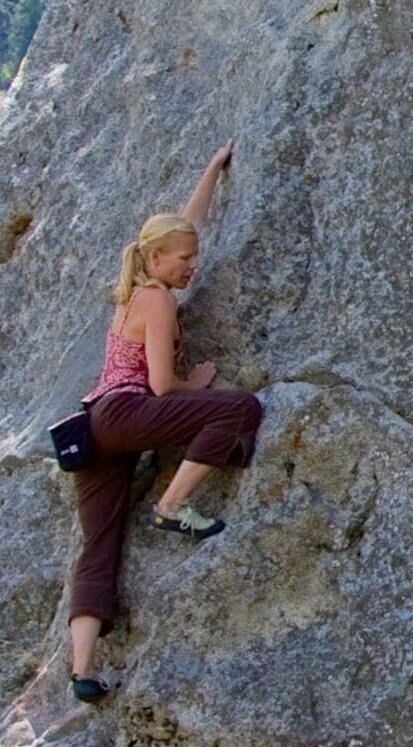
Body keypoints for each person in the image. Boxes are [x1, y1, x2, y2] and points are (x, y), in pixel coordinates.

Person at [64, 144, 264, 704]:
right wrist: (194, 385)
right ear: (155, 259)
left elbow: (183, 228)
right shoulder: (157, 301)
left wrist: (212, 169)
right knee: (240, 408)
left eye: (193, 258)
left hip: (95, 427)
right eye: (184, 261)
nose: (192, 266)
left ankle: (83, 670)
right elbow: (159, 385)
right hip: (127, 413)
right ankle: (173, 505)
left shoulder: (135, 290)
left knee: (100, 544)